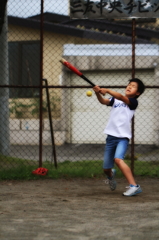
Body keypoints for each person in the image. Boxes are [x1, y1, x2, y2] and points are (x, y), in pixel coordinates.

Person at [93, 78, 145, 197]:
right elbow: (103, 101)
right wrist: (97, 92)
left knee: (118, 159)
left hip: (122, 137)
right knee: (106, 169)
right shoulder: (115, 100)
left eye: (133, 86)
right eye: (129, 85)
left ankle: (134, 186)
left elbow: (121, 97)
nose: (129, 86)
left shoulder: (133, 102)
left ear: (138, 93)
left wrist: (107, 90)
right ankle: (111, 175)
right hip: (110, 137)